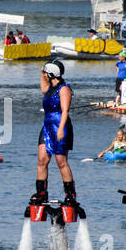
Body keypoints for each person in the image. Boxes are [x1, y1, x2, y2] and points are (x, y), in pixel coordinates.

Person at [30, 60, 78, 210]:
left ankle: (70, 194)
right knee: (42, 160)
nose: (44, 75)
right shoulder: (50, 87)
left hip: (60, 126)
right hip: (47, 126)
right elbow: (43, 87)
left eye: (46, 72)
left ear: (51, 73)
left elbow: (65, 111)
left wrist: (60, 129)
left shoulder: (64, 89)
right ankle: (41, 193)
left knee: (61, 162)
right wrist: (41, 72)